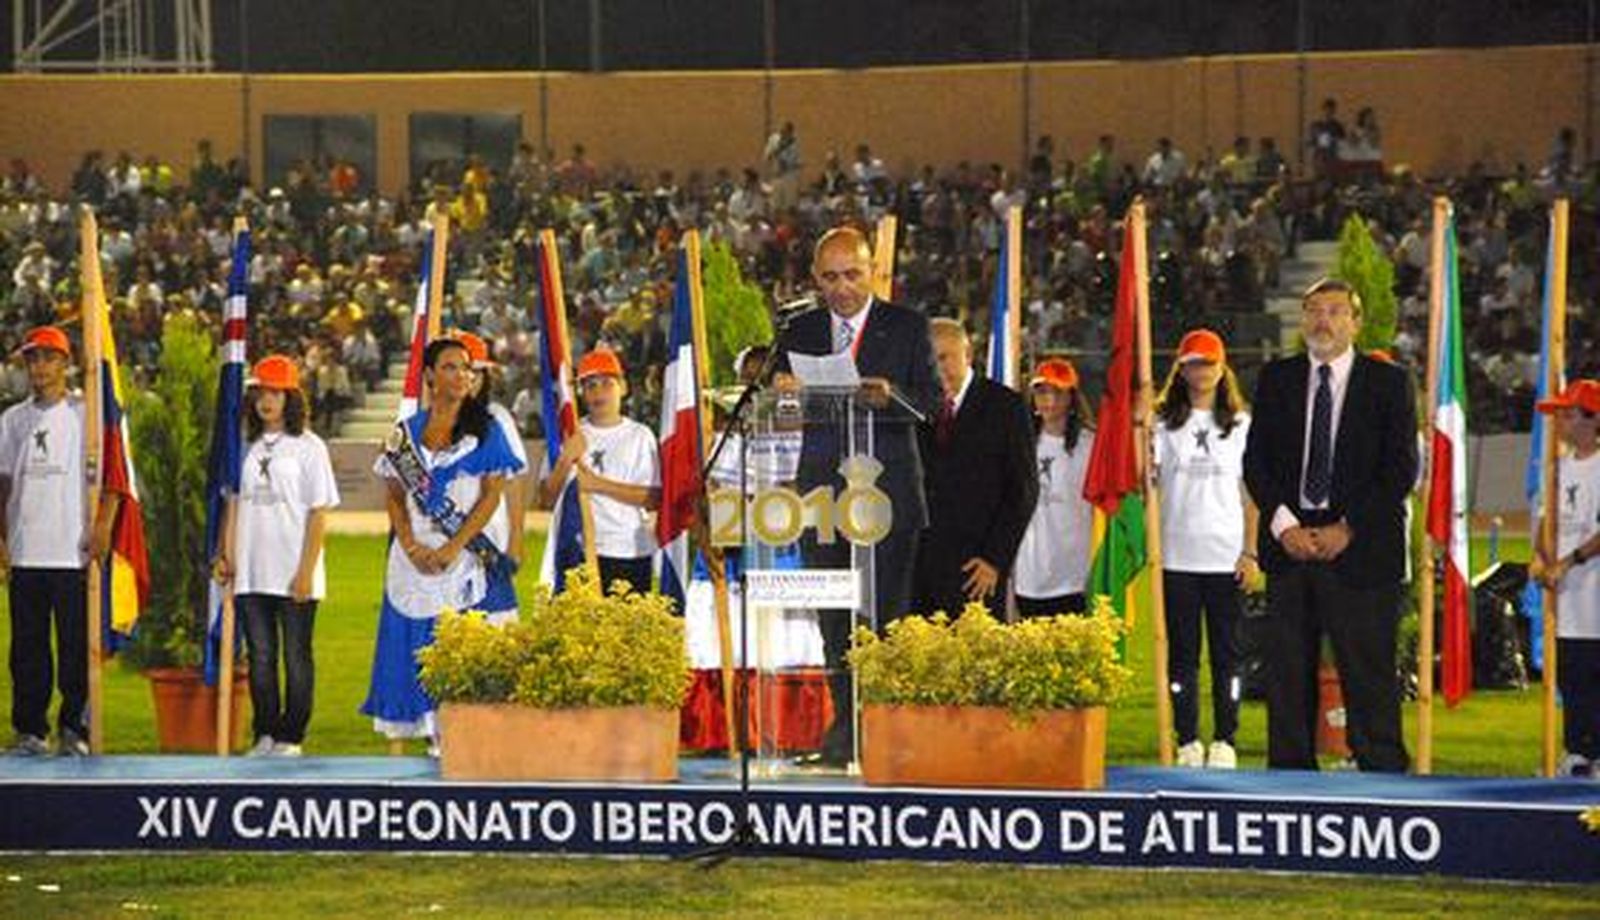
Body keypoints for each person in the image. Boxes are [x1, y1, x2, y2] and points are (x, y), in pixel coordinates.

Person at [772, 225, 941, 766]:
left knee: (884, 622)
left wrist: (891, 396)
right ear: (816, 280)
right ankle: (845, 735)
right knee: (834, 622)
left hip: (887, 496)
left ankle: (887, 736)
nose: (842, 287)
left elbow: (934, 405)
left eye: (852, 274)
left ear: (872, 272)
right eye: (830, 277)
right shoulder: (799, 330)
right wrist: (784, 398)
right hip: (822, 498)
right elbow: (783, 414)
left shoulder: (907, 327)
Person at [1243, 278, 1417, 773]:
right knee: (1287, 675)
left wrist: (1347, 527)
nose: (1324, 320)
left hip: (1360, 551)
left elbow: (1399, 470)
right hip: (1290, 547)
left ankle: (1381, 778)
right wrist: (1283, 526)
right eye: (1314, 310)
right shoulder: (1278, 379)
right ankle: (1290, 781)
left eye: (1336, 311)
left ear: (1355, 322)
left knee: (1368, 673)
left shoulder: (1388, 383)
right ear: (1302, 320)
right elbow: (1257, 462)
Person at [361, 337, 525, 749]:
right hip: (414, 557)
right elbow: (395, 495)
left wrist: (453, 548)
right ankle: (434, 733)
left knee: (468, 642)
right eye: (451, 366)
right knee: (421, 642)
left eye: (467, 368)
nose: (463, 375)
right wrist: (410, 543)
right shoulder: (404, 436)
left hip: (465, 554)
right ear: (431, 375)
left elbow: (492, 496)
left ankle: (470, 731)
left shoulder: (487, 430)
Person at [0, 326, 121, 756]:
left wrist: (104, 525)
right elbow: (2, 485)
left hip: (73, 551)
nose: (40, 367)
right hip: (26, 550)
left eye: (49, 358)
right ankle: (31, 730)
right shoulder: (12, 420)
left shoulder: (87, 416)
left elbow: (114, 477)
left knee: (75, 649)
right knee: (27, 652)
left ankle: (76, 728)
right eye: (33, 359)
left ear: (66, 364)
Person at [212, 355, 340, 757]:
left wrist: (305, 571)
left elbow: (319, 512)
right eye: (260, 393)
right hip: (251, 571)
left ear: (290, 397)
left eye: (274, 393)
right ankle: (264, 732)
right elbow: (233, 504)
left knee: (296, 656)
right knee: (262, 657)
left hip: (293, 572)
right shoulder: (245, 447)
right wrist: (224, 554)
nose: (266, 401)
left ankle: (291, 736)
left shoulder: (309, 448)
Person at [1153, 329, 1259, 770]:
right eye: (1194, 363)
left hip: (1224, 555)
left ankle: (1226, 738)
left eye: (1209, 363)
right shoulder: (1161, 425)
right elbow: (1150, 485)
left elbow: (1251, 493)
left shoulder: (1240, 425)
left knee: (1227, 655)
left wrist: (1250, 552)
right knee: (1182, 655)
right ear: (1181, 368)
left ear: (1223, 367)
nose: (1202, 371)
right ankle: (1187, 737)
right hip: (1177, 556)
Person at [913, 318, 1037, 617]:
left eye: (944, 357)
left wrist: (995, 559)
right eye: (928, 359)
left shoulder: (1005, 407)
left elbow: (1022, 491)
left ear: (967, 355)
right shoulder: (913, 406)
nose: (936, 367)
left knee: (975, 661)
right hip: (919, 572)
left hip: (976, 571)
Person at [537, 348, 660, 596]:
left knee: (625, 631)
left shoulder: (639, 435)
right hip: (576, 550)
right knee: (579, 632)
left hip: (628, 551)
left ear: (623, 387)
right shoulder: (569, 435)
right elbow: (545, 499)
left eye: (607, 383)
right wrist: (564, 460)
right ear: (580, 393)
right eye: (590, 385)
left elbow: (653, 498)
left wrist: (597, 485)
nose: (598, 391)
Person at [1529, 379, 1600, 777]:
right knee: (1572, 676)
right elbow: (1546, 522)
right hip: (1567, 599)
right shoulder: (1557, 470)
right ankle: (1578, 750)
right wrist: (1541, 559)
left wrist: (1569, 560)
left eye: (1569, 415)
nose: (1562, 423)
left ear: (1592, 420)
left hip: (1593, 590)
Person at [1014, 357, 1096, 617]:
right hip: (1028, 572)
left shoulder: (1089, 445)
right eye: (1041, 391)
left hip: (1072, 572)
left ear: (1071, 397)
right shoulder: (1020, 443)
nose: (1048, 400)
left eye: (1057, 392)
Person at [455, 330, 529, 571]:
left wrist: (516, 540)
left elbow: (514, 482)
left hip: (489, 539)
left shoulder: (498, 417)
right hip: (438, 539)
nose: (469, 378)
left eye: (476, 371)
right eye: (460, 369)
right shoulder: (425, 421)